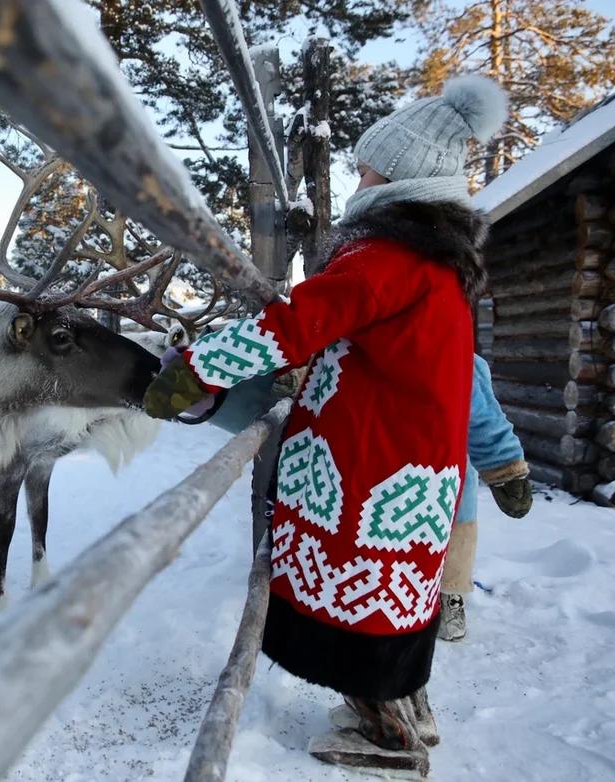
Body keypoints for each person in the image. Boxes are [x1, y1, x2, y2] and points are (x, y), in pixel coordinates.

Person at [144, 75, 508, 778]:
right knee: (387, 600)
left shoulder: (387, 258)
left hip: (368, 467)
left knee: (357, 606)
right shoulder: (435, 264)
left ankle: (392, 741)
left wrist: (196, 368)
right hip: (402, 467)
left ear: (398, 178)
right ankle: (405, 714)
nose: (357, 175)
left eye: (369, 166)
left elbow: (295, 323)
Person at [440, 354, 532, 641]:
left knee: (456, 530)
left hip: (449, 468)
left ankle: (450, 594)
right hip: (385, 466)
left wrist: (504, 464)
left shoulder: (462, 357)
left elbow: (480, 413)